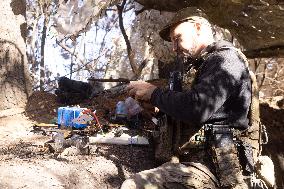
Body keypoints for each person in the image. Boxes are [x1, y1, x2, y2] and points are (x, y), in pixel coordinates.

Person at [122, 7, 253, 189]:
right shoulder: (201, 66)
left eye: (177, 38)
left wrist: (154, 93)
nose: (174, 48)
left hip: (214, 168)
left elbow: (198, 108)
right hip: (191, 161)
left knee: (134, 186)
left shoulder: (225, 60)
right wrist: (158, 108)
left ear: (198, 28)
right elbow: (193, 109)